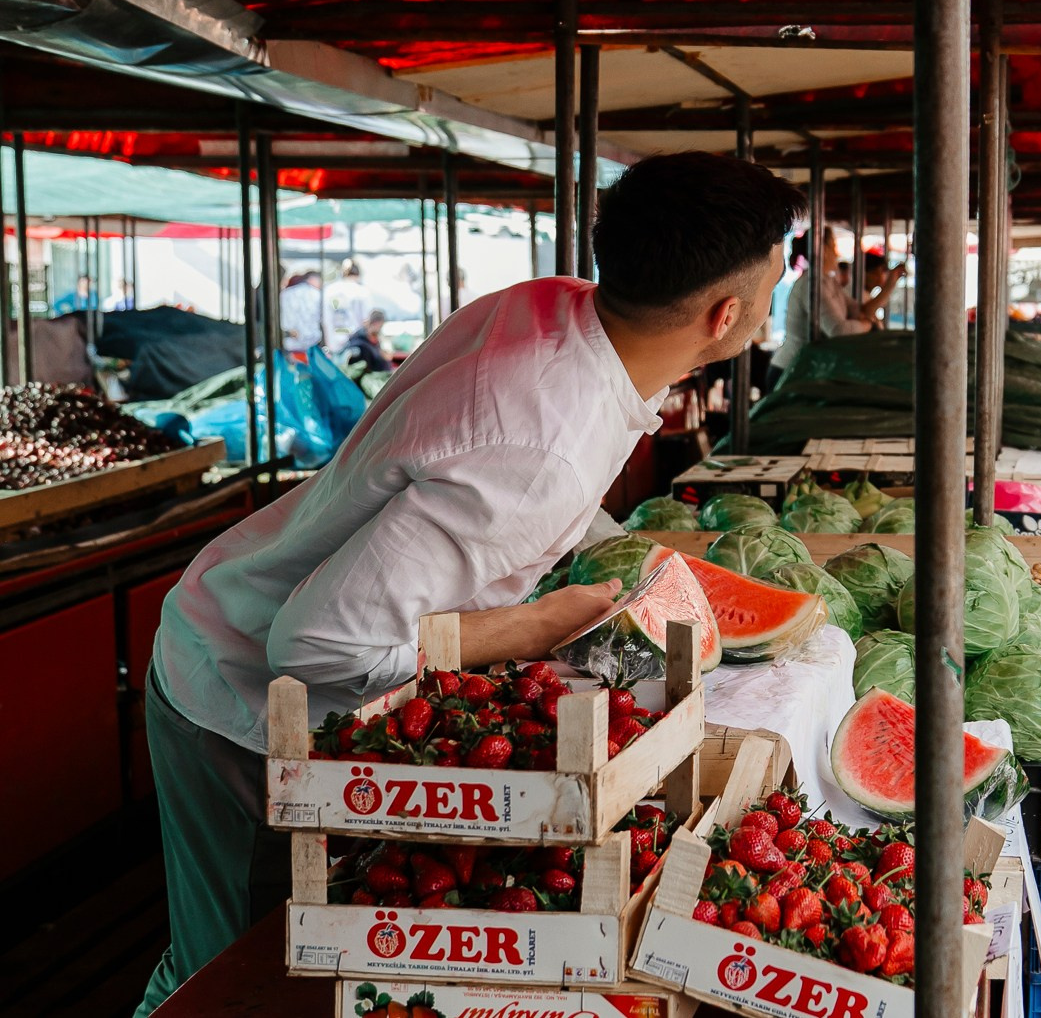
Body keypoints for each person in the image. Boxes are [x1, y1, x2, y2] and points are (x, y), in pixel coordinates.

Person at [134, 152, 803, 1016]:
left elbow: (508, 481)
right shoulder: (539, 447)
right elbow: (316, 645)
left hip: (258, 631)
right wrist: (525, 628)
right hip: (234, 696)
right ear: (726, 315)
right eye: (774, 287)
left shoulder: (557, 309)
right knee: (230, 978)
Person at [772, 226, 872, 379]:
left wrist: (891, 283)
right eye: (833, 247)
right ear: (824, 250)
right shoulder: (811, 284)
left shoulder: (828, 282)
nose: (837, 253)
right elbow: (838, 330)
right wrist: (868, 325)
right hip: (791, 371)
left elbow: (860, 310)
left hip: (804, 368)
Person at [324, 260, 370, 350]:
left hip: (334, 338)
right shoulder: (362, 292)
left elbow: (326, 319)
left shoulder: (330, 290)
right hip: (356, 340)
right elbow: (366, 319)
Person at [279, 270, 323, 354]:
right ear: (313, 279)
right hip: (311, 344)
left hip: (289, 344)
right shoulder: (317, 294)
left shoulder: (285, 294)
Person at [340, 308, 393, 374]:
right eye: (380, 326)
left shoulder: (374, 340)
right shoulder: (360, 345)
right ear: (375, 323)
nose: (380, 329)